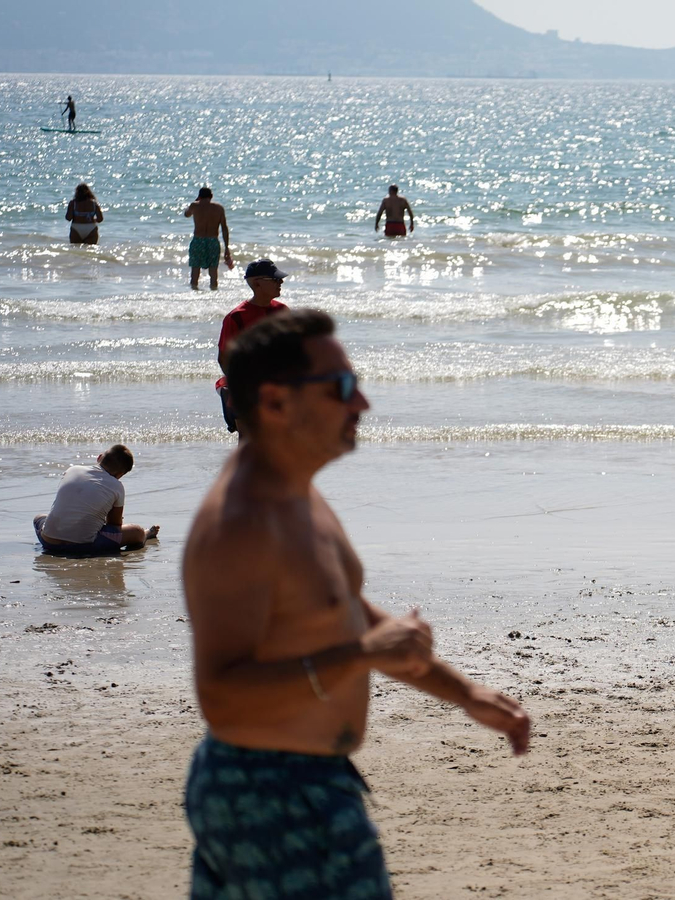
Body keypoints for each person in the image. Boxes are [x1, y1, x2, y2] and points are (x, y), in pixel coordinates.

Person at [182, 310, 532, 898]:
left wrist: (464, 692)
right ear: (274, 403)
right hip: (269, 790)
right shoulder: (240, 524)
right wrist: (359, 653)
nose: (362, 404)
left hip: (307, 778)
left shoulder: (296, 493)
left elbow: (346, 613)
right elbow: (220, 693)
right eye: (342, 387)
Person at [33, 445, 158, 556]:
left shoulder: (72, 470)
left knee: (39, 517)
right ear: (120, 474)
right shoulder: (116, 486)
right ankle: (146, 534)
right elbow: (114, 526)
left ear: (99, 457)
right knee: (136, 531)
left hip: (49, 541)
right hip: (83, 546)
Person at [216, 259, 292, 433]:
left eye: (280, 279)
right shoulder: (236, 317)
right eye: (275, 279)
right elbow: (224, 359)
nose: (281, 282)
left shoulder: (283, 312)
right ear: (257, 284)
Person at [184, 187, 233, 290]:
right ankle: (214, 291)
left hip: (198, 240)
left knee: (195, 270)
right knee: (213, 271)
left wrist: (196, 201)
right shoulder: (219, 208)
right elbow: (224, 228)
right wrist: (227, 247)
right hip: (213, 241)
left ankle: (194, 290)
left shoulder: (194, 206)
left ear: (199, 196)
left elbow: (186, 214)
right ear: (211, 196)